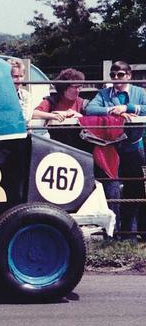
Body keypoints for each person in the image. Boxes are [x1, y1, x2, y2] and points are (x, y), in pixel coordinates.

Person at [85, 61, 146, 240]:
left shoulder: (139, 92)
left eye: (120, 75)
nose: (116, 78)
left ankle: (134, 233)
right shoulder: (104, 93)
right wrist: (114, 111)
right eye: (113, 75)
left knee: (135, 189)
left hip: (133, 147)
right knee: (112, 190)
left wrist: (129, 107)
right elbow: (90, 109)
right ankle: (113, 234)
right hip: (110, 149)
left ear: (129, 76)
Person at [32, 68, 90, 151]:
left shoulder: (83, 103)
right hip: (56, 147)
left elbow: (95, 122)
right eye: (74, 87)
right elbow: (34, 113)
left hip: (80, 148)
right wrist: (53, 116)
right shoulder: (51, 101)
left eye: (80, 86)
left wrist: (80, 117)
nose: (78, 90)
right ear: (64, 87)